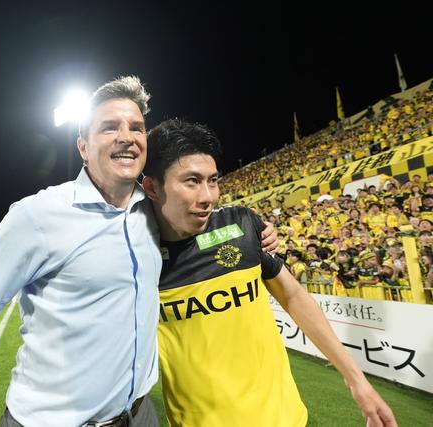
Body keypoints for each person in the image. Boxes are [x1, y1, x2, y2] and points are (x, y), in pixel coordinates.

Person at [0, 77, 278, 426]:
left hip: (139, 414)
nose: (127, 137)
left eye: (136, 128)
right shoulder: (39, 216)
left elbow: (201, 220)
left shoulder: (153, 210)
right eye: (109, 127)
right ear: (82, 146)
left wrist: (259, 234)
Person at [141, 119, 396, 427]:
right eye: (192, 181)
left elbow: (293, 296)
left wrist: (356, 380)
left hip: (284, 418)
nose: (208, 196)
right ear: (152, 187)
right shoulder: (137, 258)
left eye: (213, 180)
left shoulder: (242, 225)